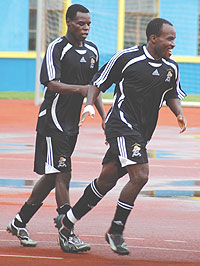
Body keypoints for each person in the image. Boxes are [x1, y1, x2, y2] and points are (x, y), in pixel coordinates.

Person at [54, 17, 187, 255]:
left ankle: (67, 222)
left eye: (174, 39)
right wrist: (88, 105)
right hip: (122, 124)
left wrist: (179, 113)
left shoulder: (171, 67)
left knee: (106, 180)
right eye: (169, 39)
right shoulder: (127, 58)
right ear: (153, 38)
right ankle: (116, 229)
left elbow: (171, 94)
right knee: (141, 175)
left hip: (142, 132)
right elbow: (98, 82)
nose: (173, 44)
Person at [7, 4, 105, 253]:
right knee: (63, 172)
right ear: (68, 22)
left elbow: (95, 88)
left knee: (53, 174)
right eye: (81, 23)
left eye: (89, 24)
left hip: (72, 122)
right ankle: (66, 231)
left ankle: (19, 222)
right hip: (53, 120)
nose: (85, 28)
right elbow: (51, 84)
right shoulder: (56, 48)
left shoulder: (93, 50)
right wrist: (82, 90)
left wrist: (105, 119)